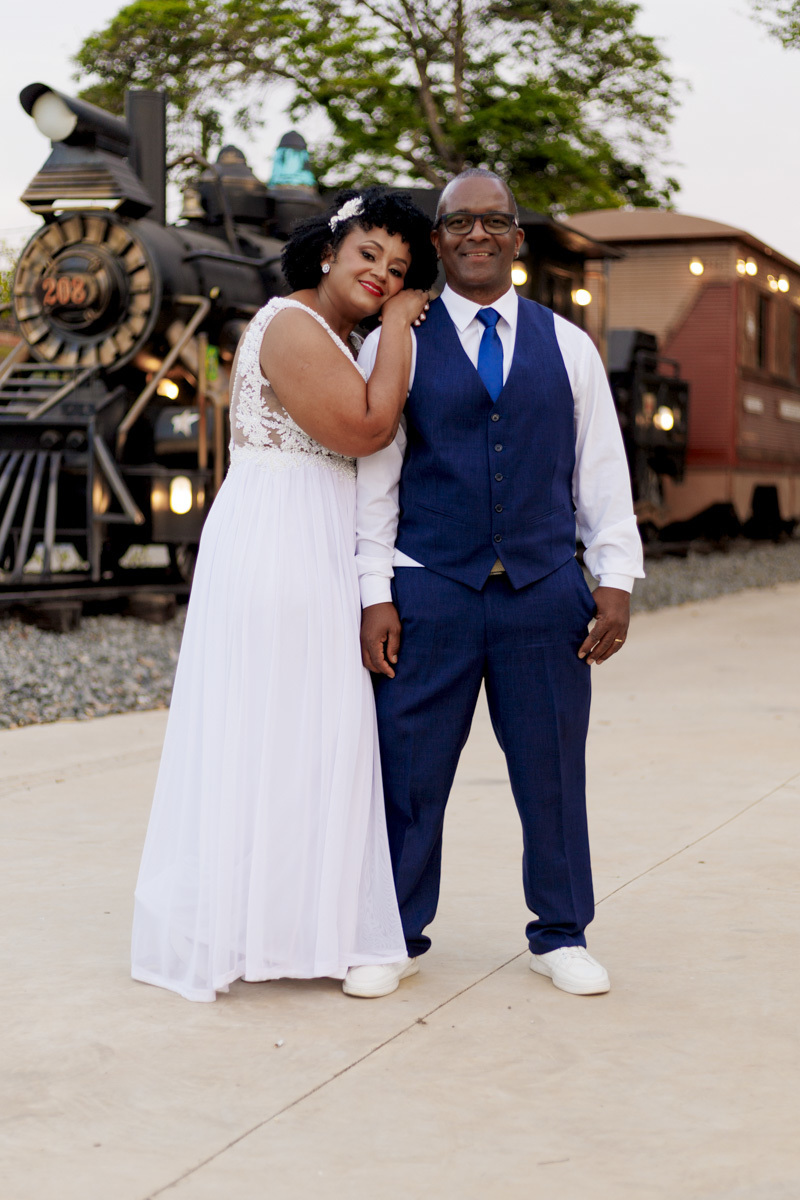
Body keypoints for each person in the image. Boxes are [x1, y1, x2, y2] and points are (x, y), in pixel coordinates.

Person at [344, 169, 644, 1000]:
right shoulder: (396, 341)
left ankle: (562, 934)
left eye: (493, 221)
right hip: (430, 587)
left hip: (544, 591)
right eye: (458, 223)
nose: (477, 234)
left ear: (517, 238)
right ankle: (394, 935)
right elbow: (375, 480)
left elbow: (600, 471)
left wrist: (614, 577)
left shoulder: (569, 346)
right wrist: (375, 591)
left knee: (552, 774)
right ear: (436, 242)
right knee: (408, 773)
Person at [131, 188, 437, 1002]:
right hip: (280, 547)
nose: (382, 274)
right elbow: (367, 428)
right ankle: (250, 930)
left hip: (314, 544)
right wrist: (400, 323)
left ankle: (291, 927)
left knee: (308, 739)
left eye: (399, 269)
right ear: (329, 250)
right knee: (279, 732)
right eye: (369, 254)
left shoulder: (338, 335)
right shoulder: (294, 324)